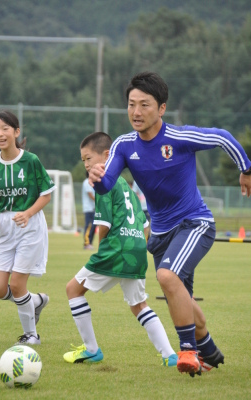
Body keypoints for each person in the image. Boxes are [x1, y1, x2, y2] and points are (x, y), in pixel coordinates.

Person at [88, 72, 251, 377]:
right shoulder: (124, 145)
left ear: (161, 108)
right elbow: (106, 183)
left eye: (144, 105)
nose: (136, 112)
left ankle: (187, 350)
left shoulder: (179, 138)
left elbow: (222, 137)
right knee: (182, 297)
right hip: (160, 235)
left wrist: (246, 169)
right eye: (131, 104)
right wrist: (96, 178)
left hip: (194, 223)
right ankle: (209, 350)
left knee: (166, 275)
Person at [63, 131, 177, 366]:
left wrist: (102, 246)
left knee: (73, 290)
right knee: (139, 305)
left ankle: (92, 350)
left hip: (116, 248)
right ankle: (170, 355)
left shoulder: (103, 179)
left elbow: (103, 225)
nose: (86, 165)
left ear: (107, 155)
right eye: (83, 160)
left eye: (88, 158)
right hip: (136, 248)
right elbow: (145, 224)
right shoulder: (126, 183)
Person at [0, 110, 56, 345]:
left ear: (16, 132)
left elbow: (46, 195)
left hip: (30, 227)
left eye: (5, 128)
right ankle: (34, 301)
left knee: (16, 285)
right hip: (6, 230)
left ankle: (32, 336)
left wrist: (27, 213)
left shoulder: (31, 160)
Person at [82, 172, 95, 249]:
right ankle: (87, 243)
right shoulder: (87, 182)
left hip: (93, 208)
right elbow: (90, 194)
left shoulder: (92, 182)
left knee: (93, 226)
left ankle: (90, 243)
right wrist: (98, 201)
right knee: (89, 226)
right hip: (88, 208)